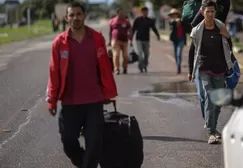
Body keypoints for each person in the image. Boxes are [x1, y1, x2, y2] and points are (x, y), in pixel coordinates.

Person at [46, 2, 117, 168]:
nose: (75, 18)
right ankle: (84, 163)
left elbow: (105, 68)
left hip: (94, 101)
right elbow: (54, 72)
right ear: (66, 18)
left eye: (78, 14)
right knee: (68, 141)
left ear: (84, 15)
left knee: (94, 143)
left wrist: (107, 92)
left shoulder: (97, 38)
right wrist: (52, 99)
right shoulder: (59, 42)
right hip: (70, 102)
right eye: (72, 15)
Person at [190, 1, 232, 144]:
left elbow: (228, 47)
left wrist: (228, 36)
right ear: (203, 12)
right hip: (204, 68)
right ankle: (211, 131)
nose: (210, 14)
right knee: (209, 96)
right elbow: (192, 51)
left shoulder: (220, 26)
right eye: (207, 11)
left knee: (218, 101)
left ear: (215, 12)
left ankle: (213, 127)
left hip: (220, 68)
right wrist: (191, 70)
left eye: (212, 11)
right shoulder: (197, 30)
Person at [132, 7, 160, 73]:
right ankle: (140, 67)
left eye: (146, 12)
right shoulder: (137, 20)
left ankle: (145, 65)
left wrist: (158, 35)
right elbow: (133, 30)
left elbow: (154, 28)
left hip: (146, 40)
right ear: (141, 12)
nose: (145, 13)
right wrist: (130, 38)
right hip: (139, 39)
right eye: (144, 12)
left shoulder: (149, 20)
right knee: (140, 54)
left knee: (146, 54)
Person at [109, 8, 132, 75]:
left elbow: (130, 30)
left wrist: (131, 38)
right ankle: (116, 69)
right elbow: (110, 31)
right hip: (115, 40)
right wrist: (110, 40)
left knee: (125, 56)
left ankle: (125, 68)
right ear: (118, 13)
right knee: (116, 55)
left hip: (125, 41)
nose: (123, 14)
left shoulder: (126, 21)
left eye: (123, 13)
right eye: (121, 13)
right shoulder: (112, 21)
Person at [168, 8, 187, 74]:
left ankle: (179, 67)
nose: (174, 15)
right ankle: (178, 65)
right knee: (176, 54)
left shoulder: (182, 21)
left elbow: (185, 29)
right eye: (173, 14)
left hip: (181, 39)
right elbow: (172, 24)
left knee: (179, 54)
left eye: (175, 14)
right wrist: (176, 21)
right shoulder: (171, 21)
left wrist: (180, 21)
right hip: (174, 40)